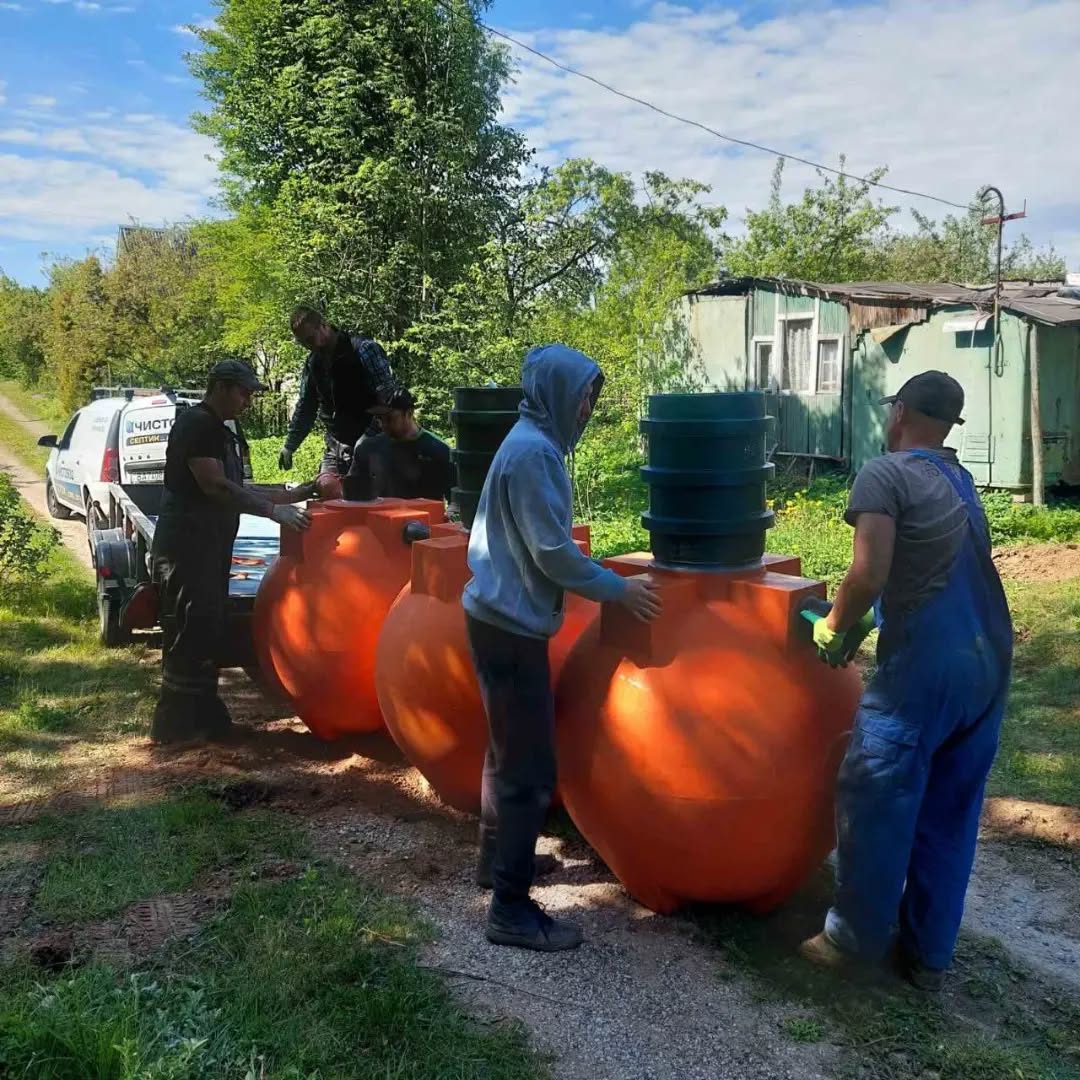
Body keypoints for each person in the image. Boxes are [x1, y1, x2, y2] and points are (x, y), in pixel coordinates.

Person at [800, 371, 1013, 991]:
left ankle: (851, 940)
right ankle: (928, 956)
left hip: (927, 666)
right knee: (950, 808)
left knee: (877, 792)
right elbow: (934, 567)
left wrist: (836, 624)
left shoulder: (885, 472)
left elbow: (870, 571)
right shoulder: (959, 478)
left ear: (898, 412)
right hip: (989, 660)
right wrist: (871, 619)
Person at [463, 344, 663, 952]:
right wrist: (617, 589)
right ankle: (510, 909)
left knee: (505, 756)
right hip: (509, 627)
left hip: (497, 618)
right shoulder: (534, 455)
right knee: (528, 769)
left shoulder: (530, 441)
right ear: (554, 392)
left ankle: (496, 862)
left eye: (591, 400)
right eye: (582, 397)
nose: (586, 410)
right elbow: (552, 554)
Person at [151, 360, 315, 744]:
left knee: (208, 627)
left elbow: (239, 488)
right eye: (244, 393)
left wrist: (298, 494)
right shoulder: (198, 426)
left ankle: (206, 720)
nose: (248, 401)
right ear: (221, 387)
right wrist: (275, 512)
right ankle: (175, 727)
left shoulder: (219, 431)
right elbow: (216, 489)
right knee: (189, 630)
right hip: (186, 548)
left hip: (209, 546)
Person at [278, 306, 401, 494]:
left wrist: (368, 438)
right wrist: (290, 445)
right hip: (336, 446)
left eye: (311, 339)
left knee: (371, 505)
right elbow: (306, 406)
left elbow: (390, 400)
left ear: (324, 326)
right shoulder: (313, 363)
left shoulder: (364, 350)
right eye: (303, 343)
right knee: (328, 495)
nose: (310, 346)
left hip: (375, 445)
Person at [341, 388, 453, 503]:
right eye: (379, 418)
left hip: (425, 520)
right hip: (377, 518)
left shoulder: (438, 450)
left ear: (409, 413)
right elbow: (353, 499)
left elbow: (457, 503)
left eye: (390, 418)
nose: (383, 424)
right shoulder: (367, 449)